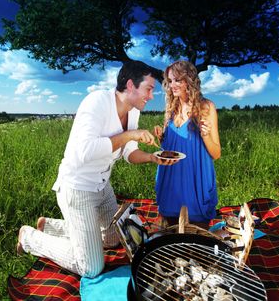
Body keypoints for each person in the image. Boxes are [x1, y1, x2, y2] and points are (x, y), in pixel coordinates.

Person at [16, 60, 178, 278]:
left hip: (103, 187)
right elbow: (85, 151)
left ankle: (50, 226)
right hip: (78, 188)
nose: (150, 96)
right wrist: (130, 135)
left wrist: (152, 157)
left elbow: (129, 153)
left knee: (115, 237)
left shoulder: (133, 112)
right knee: (91, 268)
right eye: (148, 89)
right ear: (130, 85)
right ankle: (29, 238)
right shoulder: (97, 102)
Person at [154, 60, 221, 228]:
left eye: (177, 80)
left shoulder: (206, 106)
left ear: (189, 80)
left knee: (197, 237)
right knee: (171, 237)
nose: (172, 85)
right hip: (171, 181)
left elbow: (216, 153)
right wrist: (162, 137)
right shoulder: (171, 108)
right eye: (169, 81)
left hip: (195, 181)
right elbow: (170, 149)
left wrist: (205, 135)